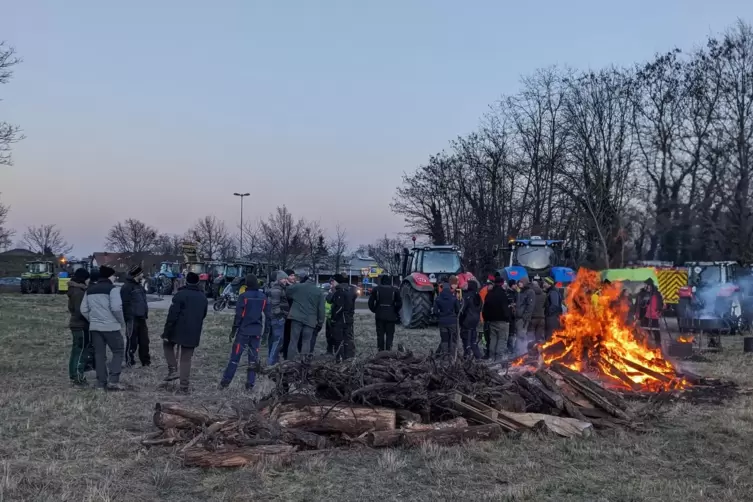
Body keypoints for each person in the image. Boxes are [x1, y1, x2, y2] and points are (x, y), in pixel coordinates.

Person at [80, 266, 127, 391]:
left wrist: (93, 320)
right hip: (111, 327)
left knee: (99, 354)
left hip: (95, 327)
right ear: (109, 276)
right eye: (114, 276)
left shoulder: (89, 290)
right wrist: (121, 322)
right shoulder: (113, 290)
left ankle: (101, 383)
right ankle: (113, 380)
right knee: (118, 351)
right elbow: (117, 308)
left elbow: (83, 309)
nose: (115, 278)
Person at [221, 274, 271, 390]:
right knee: (253, 359)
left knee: (235, 358)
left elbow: (238, 316)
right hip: (256, 332)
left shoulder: (243, 297)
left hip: (243, 331)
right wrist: (266, 333)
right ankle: (250, 384)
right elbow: (269, 316)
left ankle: (225, 382)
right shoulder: (263, 297)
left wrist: (234, 330)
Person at [162, 271, 208, 393]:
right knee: (186, 359)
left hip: (177, 330)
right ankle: (184, 387)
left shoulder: (180, 295)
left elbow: (172, 315)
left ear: (186, 281)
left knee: (167, 345)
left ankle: (172, 369)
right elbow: (203, 315)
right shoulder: (203, 297)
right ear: (198, 282)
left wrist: (166, 332)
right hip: (193, 332)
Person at [286, 273, 325, 360]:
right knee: (306, 341)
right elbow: (321, 309)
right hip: (310, 319)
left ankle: (289, 362)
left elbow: (287, 292)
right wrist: (320, 322)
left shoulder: (298, 287)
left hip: (296, 317)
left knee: (293, 341)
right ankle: (304, 363)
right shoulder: (319, 292)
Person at [121, 265, 150, 367]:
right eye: (141, 273)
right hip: (132, 318)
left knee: (144, 341)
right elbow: (125, 304)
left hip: (141, 317)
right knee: (131, 341)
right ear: (137, 274)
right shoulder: (127, 287)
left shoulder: (139, 286)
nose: (143, 274)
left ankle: (146, 362)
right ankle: (130, 361)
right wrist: (128, 317)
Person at [67, 267, 91, 386]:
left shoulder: (74, 290)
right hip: (80, 325)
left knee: (76, 351)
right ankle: (78, 377)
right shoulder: (79, 293)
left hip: (75, 324)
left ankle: (73, 375)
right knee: (81, 352)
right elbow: (80, 311)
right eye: (87, 279)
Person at [482, 276, 514, 360]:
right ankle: (498, 359)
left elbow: (485, 308)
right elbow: (505, 309)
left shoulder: (489, 294)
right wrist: (508, 317)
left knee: (493, 339)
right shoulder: (503, 294)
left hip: (491, 321)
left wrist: (486, 319)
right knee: (502, 340)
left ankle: (491, 357)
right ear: (502, 283)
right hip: (502, 321)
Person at [368, 274, 402, 351]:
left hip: (379, 315)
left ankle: (380, 351)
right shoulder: (395, 290)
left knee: (380, 335)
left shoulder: (376, 289)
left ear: (381, 281)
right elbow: (399, 303)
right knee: (390, 335)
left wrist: (375, 310)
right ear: (390, 282)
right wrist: (395, 311)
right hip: (391, 316)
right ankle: (388, 351)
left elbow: (370, 303)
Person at [328, 273, 358, 360]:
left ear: (337, 281)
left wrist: (334, 318)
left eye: (333, 281)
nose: (332, 283)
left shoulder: (340, 291)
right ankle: (349, 357)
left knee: (339, 339)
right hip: (348, 318)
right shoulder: (351, 290)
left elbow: (339, 307)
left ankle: (340, 357)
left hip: (340, 320)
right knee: (348, 338)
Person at [266, 270, 290, 365]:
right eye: (284, 278)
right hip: (278, 319)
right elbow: (275, 306)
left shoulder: (279, 288)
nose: (285, 280)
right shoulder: (277, 290)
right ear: (279, 279)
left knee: (274, 340)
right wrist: (281, 315)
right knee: (278, 341)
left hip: (275, 318)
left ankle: (272, 359)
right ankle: (271, 363)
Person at [433, 281, 460, 355]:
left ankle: (444, 355)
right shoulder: (454, 298)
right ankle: (452, 355)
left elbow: (435, 312)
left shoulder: (438, 299)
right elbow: (458, 310)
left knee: (444, 339)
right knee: (453, 339)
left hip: (442, 322)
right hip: (452, 322)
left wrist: (440, 315)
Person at [459, 279, 483, 359]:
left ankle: (467, 355)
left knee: (465, 337)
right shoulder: (478, 296)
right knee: (473, 339)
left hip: (467, 320)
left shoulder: (467, 296)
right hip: (475, 320)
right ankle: (478, 356)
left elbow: (462, 309)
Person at [637, 278, 664, 347]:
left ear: (650, 285)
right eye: (646, 285)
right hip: (647, 315)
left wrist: (659, 311)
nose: (646, 287)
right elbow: (643, 305)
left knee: (656, 331)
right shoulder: (647, 294)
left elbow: (660, 304)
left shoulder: (656, 294)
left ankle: (658, 345)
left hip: (654, 315)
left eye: (647, 285)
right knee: (646, 330)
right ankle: (647, 344)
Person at [514, 277, 535, 352]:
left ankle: (523, 352)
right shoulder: (521, 291)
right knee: (518, 335)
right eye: (519, 282)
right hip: (518, 317)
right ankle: (518, 351)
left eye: (521, 282)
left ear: (525, 283)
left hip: (523, 319)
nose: (519, 283)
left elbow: (530, 306)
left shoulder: (530, 292)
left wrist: (525, 317)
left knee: (521, 334)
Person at [281, 269, 297, 360]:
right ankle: (285, 353)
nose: (293, 277)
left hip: (294, 314)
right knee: (286, 334)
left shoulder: (296, 287)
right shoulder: (284, 288)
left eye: (294, 275)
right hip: (286, 314)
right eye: (291, 275)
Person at [529, 278, 546, 343]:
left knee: (531, 337)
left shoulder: (530, 295)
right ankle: (537, 351)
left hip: (533, 318)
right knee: (538, 338)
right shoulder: (544, 295)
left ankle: (529, 350)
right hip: (542, 318)